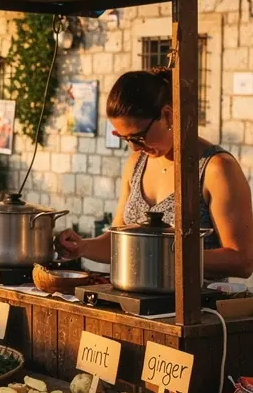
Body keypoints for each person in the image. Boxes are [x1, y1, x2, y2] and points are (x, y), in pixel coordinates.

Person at [59, 68, 253, 278]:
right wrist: (82, 247)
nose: (134, 148)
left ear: (167, 115)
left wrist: (165, 255)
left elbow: (242, 261)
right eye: (125, 139)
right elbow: (118, 241)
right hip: (135, 301)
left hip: (197, 306)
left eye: (138, 137)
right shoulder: (137, 163)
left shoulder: (216, 168)